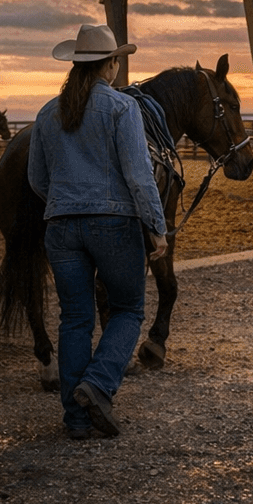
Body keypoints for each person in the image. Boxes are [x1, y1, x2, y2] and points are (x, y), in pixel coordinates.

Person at [27, 23, 169, 440]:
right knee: (127, 310)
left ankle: (75, 418)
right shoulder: (122, 109)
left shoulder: (47, 113)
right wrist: (157, 227)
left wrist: (66, 202)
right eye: (116, 62)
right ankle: (98, 384)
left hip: (61, 227)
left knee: (74, 319)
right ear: (109, 65)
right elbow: (139, 176)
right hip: (114, 226)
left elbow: (37, 178)